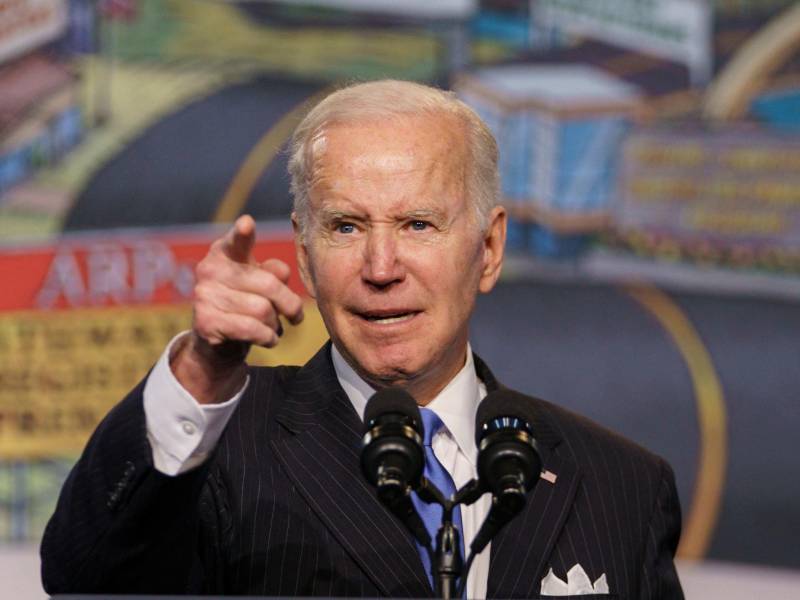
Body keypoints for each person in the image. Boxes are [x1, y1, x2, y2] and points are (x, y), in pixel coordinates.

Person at [41, 80, 684, 598]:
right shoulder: (222, 444)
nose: (381, 268)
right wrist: (203, 371)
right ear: (304, 254)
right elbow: (88, 577)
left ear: (488, 250)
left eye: (418, 224)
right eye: (346, 227)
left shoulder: (619, 486)